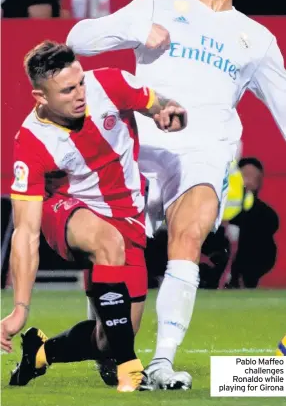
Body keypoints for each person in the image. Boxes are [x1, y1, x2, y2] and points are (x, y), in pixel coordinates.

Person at [66, 0, 286, 390]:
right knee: (116, 278)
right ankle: (108, 344)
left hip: (204, 153)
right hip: (141, 152)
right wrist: (136, 36)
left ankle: (163, 364)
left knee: (187, 236)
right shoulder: (155, 6)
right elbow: (78, 39)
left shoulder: (259, 40)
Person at [0, 40, 187, 392]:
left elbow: (160, 104)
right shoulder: (30, 142)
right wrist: (20, 306)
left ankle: (40, 353)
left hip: (129, 218)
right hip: (67, 213)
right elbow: (25, 232)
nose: (81, 94)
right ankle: (131, 371)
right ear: (41, 98)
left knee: (108, 339)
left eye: (81, 82)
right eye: (68, 90)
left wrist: (170, 112)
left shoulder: (111, 84)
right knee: (107, 242)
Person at [228, 157, 278, 288]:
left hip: (251, 260)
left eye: (254, 177)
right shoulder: (223, 207)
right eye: (245, 175)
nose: (249, 181)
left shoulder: (264, 213)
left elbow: (272, 224)